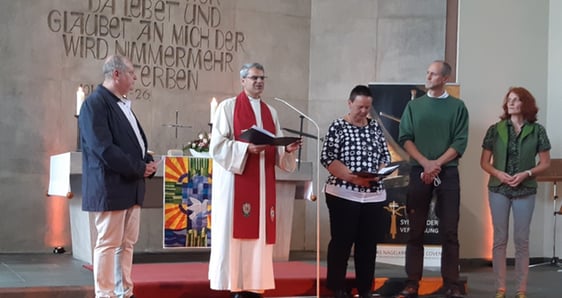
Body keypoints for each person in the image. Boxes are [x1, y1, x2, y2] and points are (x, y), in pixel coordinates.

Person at [208, 62, 301, 298]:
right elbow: (217, 147)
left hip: (262, 187)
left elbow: (277, 148)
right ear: (242, 81)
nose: (259, 81)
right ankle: (236, 287)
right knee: (237, 238)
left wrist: (287, 149)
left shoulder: (271, 112)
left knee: (259, 237)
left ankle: (255, 286)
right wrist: (245, 149)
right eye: (253, 78)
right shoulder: (228, 108)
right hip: (237, 185)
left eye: (262, 78)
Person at [78, 55, 158, 298]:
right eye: (131, 73)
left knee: (127, 244)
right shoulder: (95, 103)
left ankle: (125, 292)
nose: (135, 78)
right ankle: (105, 294)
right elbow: (103, 148)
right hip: (110, 186)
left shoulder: (121, 104)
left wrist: (146, 162)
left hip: (131, 185)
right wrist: (138, 166)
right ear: (116, 74)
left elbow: (131, 144)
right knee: (108, 243)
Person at [396, 60, 469, 298]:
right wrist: (426, 163)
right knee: (415, 230)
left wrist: (437, 163)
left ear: (445, 78)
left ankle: (451, 284)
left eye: (433, 74)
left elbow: (459, 142)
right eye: (427, 72)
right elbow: (405, 137)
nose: (428, 76)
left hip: (447, 173)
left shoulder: (458, 107)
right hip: (419, 171)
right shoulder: (413, 107)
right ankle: (411, 283)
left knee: (450, 230)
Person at [320, 85, 392, 298]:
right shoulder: (338, 126)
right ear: (350, 103)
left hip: (373, 195)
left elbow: (385, 157)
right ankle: (337, 287)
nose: (364, 112)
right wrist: (353, 178)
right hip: (343, 193)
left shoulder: (375, 127)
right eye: (360, 107)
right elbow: (328, 158)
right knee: (342, 242)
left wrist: (379, 173)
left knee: (368, 245)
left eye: (367, 107)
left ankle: (365, 287)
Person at [480, 87, 551, 298]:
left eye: (516, 100)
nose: (510, 103)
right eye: (509, 100)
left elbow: (545, 163)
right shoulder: (495, 129)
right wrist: (499, 174)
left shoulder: (537, 130)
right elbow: (484, 162)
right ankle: (500, 289)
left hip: (525, 189)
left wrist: (527, 173)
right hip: (498, 189)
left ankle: (521, 290)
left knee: (522, 240)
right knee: (499, 239)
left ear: (525, 104)